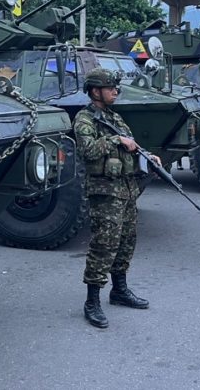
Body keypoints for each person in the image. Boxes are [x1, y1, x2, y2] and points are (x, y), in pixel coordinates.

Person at [74, 68, 156, 328]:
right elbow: (88, 150)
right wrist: (114, 139)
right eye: (111, 88)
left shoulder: (116, 118)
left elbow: (131, 147)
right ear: (96, 91)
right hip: (105, 192)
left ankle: (119, 290)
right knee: (104, 244)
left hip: (127, 189)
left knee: (126, 241)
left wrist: (148, 156)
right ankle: (92, 301)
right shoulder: (85, 119)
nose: (115, 92)